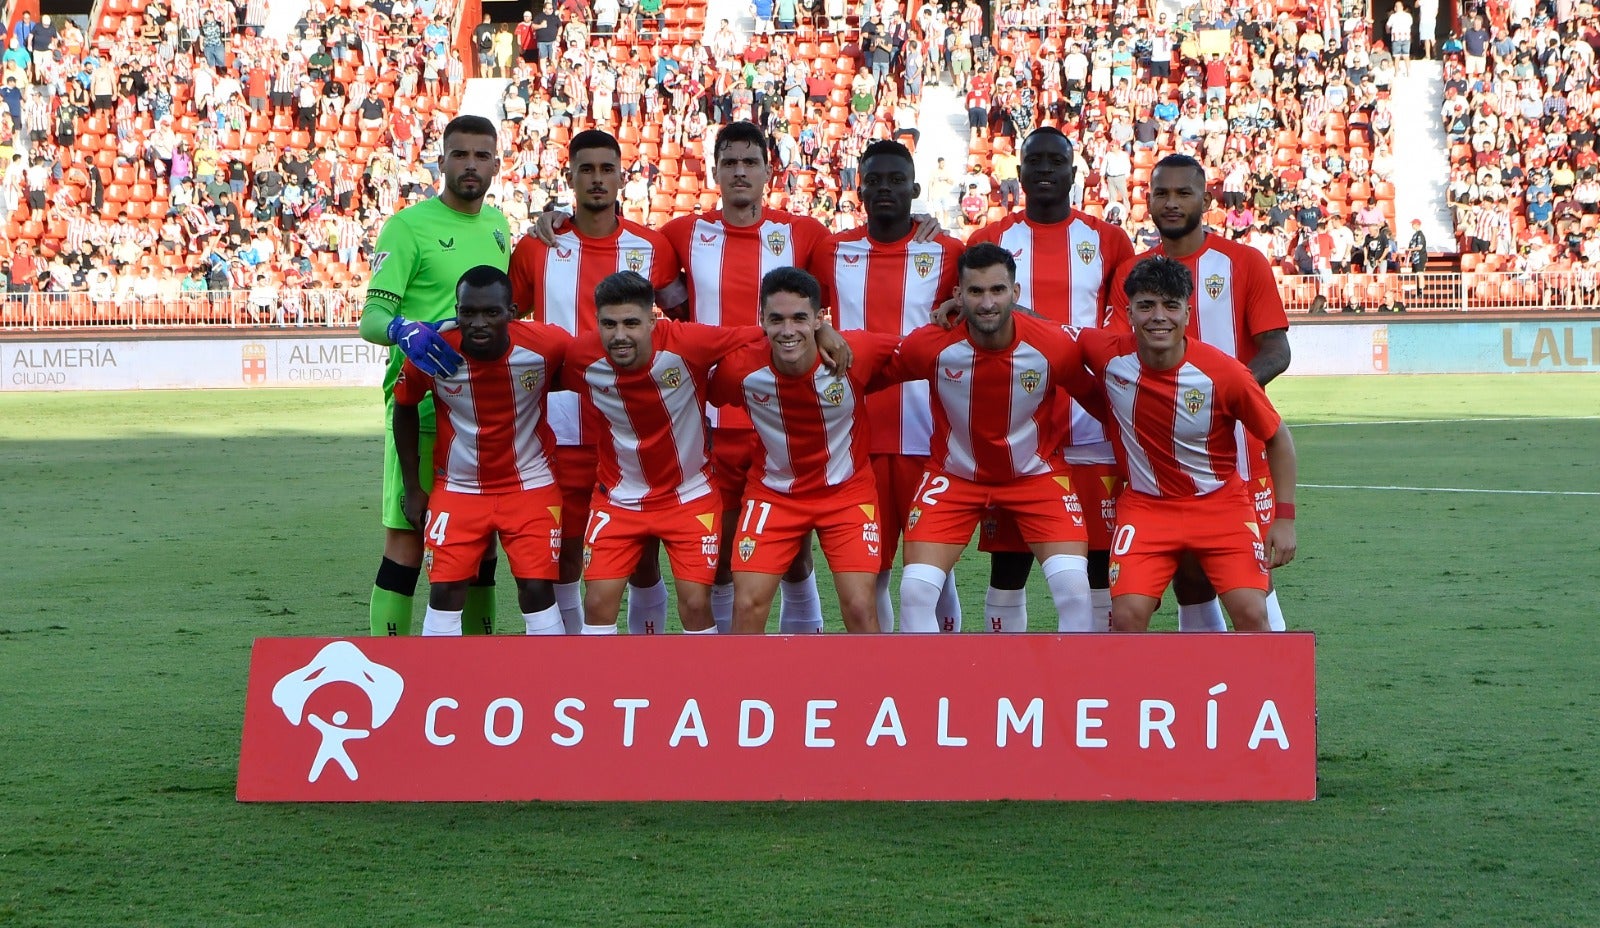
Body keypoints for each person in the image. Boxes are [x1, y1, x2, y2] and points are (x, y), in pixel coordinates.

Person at [1107, 154, 1291, 632]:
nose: (1171, 203)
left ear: (1206, 200)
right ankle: (1205, 694)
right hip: (1165, 462)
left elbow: (1277, 349)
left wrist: (1218, 396)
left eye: (1183, 193)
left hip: (1239, 455)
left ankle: (1276, 693)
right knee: (1190, 578)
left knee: (1255, 582)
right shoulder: (1133, 271)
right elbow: (1113, 349)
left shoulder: (1243, 263)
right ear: (1147, 201)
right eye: (1161, 194)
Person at [509, 129, 682, 635]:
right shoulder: (538, 246)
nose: (598, 179)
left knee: (642, 553)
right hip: (559, 426)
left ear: (622, 177)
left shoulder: (652, 247)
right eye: (587, 169)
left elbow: (678, 320)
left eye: (607, 169)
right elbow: (511, 323)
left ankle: (642, 657)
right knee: (563, 549)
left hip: (636, 426)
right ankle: (571, 662)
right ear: (570, 177)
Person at [879, 243, 1097, 633]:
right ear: (958, 296)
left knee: (1074, 588)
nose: (987, 303)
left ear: (1015, 294)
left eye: (997, 290)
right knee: (914, 591)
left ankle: (1070, 690)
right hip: (954, 478)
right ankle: (927, 691)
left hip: (1036, 476)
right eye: (976, 292)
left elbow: (1098, 399)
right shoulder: (930, 346)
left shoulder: (1052, 346)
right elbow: (873, 372)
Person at [967, 127, 1135, 632]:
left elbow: (1121, 325)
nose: (1043, 170)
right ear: (1018, 174)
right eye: (1033, 162)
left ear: (1073, 173)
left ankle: (1094, 677)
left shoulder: (1108, 240)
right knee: (1009, 562)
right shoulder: (989, 239)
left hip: (1086, 422)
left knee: (1097, 561)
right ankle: (1004, 677)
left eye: (1054, 162)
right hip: (1013, 425)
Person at [1079, 257, 1297, 631]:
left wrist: (1285, 518)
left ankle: (1255, 690)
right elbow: (1042, 329)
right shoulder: (1106, 353)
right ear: (1128, 311)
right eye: (1146, 306)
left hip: (1220, 506)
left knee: (1252, 613)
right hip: (1147, 508)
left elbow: (1278, 437)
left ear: (1188, 312)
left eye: (1170, 306)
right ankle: (1136, 691)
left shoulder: (1225, 373)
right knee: (1127, 616)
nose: (1158, 316)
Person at [358, 115, 512, 637]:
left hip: (481, 415)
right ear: (441, 160)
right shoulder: (407, 227)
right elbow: (371, 319)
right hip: (419, 411)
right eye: (460, 154)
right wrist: (406, 330)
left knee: (480, 542)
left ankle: (476, 669)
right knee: (407, 538)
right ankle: (389, 668)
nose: (471, 164)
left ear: (496, 162)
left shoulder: (499, 227)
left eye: (482, 155)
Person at [557, 271, 768, 634]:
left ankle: (703, 687)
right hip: (618, 498)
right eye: (609, 324)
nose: (619, 335)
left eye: (631, 323)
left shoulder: (690, 342)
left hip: (688, 496)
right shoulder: (581, 357)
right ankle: (604, 686)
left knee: (696, 603)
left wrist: (823, 330)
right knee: (597, 601)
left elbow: (765, 334)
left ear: (653, 320)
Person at [812, 140, 965, 633]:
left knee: (932, 573)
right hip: (857, 436)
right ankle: (880, 670)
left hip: (930, 433)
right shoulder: (831, 250)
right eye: (874, 180)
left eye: (895, 180)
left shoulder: (946, 250)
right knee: (871, 567)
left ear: (915, 189)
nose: (884, 189)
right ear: (858, 188)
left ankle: (947, 671)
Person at [708, 267, 895, 634]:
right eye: (776, 319)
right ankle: (746, 689)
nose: (788, 330)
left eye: (799, 318)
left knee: (860, 606)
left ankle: (877, 689)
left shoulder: (856, 352)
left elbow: (923, 348)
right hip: (774, 494)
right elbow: (711, 391)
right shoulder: (740, 370)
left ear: (819, 319)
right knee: (746, 605)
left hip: (846, 493)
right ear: (761, 319)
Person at [392, 265, 572, 636]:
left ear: (512, 312)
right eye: (467, 312)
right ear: (456, 311)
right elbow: (404, 406)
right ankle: (441, 686)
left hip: (531, 486)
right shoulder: (433, 352)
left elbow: (584, 365)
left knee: (537, 588)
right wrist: (412, 486)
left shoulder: (546, 345)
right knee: (445, 591)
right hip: (458, 489)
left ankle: (551, 684)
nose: (478, 322)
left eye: (491, 312)